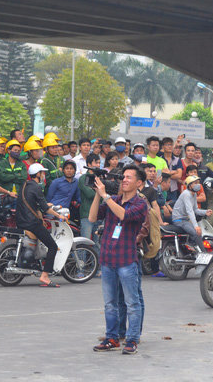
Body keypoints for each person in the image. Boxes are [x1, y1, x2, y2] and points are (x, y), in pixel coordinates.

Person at [90, 165, 148, 355]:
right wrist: (98, 193)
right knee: (110, 303)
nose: (124, 180)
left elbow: (123, 215)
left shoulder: (140, 204)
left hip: (126, 259)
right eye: (123, 177)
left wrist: (105, 196)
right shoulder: (112, 199)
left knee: (132, 303)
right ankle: (112, 338)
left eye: (129, 177)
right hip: (108, 258)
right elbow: (92, 217)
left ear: (139, 183)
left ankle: (131, 339)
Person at [16, 163, 68, 287]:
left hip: (21, 221)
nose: (44, 175)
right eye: (42, 173)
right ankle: (45, 276)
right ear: (38, 174)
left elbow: (32, 205)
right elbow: (45, 208)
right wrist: (59, 215)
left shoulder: (24, 185)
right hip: (32, 223)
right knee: (53, 246)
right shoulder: (36, 187)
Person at [171, 175, 211, 251]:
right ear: (189, 186)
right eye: (195, 183)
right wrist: (196, 226)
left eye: (198, 182)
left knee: (197, 232)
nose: (198, 185)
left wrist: (205, 212)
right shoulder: (186, 194)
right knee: (195, 232)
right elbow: (190, 211)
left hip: (185, 220)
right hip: (179, 220)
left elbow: (195, 209)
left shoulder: (194, 194)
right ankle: (203, 252)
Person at [79, 154, 100, 240]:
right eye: (96, 163)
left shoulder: (99, 178)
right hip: (86, 214)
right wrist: (99, 192)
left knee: (98, 244)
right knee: (85, 241)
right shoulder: (84, 178)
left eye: (99, 163)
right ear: (89, 164)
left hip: (99, 215)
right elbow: (89, 194)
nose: (98, 165)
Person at [160, 137, 183, 202]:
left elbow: (179, 175)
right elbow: (159, 175)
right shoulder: (160, 159)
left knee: (173, 209)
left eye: (171, 145)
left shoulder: (177, 159)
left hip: (173, 190)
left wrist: (167, 174)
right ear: (163, 147)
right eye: (167, 145)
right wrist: (173, 172)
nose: (170, 147)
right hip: (162, 189)